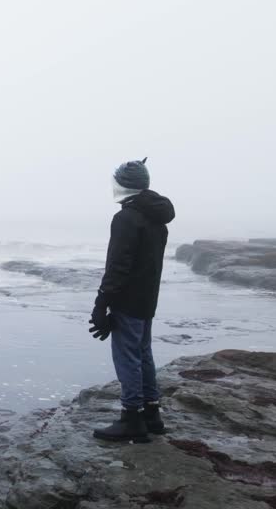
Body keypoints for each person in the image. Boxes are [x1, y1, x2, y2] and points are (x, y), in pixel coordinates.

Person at [88, 158, 176, 442]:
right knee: (143, 354)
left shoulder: (126, 217)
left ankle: (132, 418)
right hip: (148, 297)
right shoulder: (155, 216)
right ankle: (152, 414)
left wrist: (102, 303)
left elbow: (118, 266)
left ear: (122, 185)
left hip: (128, 300)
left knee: (127, 357)